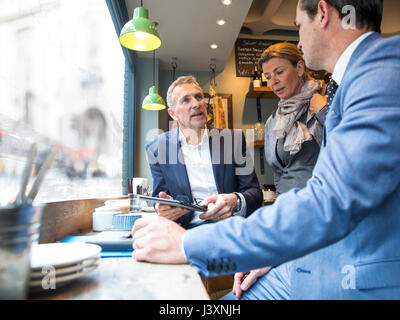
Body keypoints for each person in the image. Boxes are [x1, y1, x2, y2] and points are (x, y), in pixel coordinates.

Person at [131, 0, 400, 299]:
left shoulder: (383, 72)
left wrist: (187, 246)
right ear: (172, 113)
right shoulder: (355, 80)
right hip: (301, 250)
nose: (297, 39)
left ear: (322, 13)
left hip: (349, 269)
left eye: (298, 25)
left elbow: (329, 201)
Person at [232, 42, 328, 299]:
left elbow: (347, 150)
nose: (273, 81)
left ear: (299, 67)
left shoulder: (322, 103)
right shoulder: (275, 118)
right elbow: (279, 176)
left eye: (279, 71)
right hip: (286, 217)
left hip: (317, 221)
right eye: (267, 76)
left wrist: (325, 111)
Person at [145, 75, 263, 229]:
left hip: (231, 229)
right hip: (186, 233)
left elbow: (254, 193)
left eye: (198, 97)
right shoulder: (157, 149)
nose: (196, 104)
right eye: (186, 100)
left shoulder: (233, 139)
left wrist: (235, 200)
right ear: (173, 114)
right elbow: (160, 198)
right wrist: (161, 208)